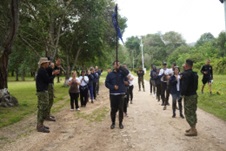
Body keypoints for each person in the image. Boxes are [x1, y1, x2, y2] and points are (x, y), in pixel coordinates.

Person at [105, 61, 129, 129]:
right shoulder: (110, 74)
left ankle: (120, 123)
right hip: (113, 94)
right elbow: (107, 83)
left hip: (121, 93)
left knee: (121, 109)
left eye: (118, 64)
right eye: (116, 64)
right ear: (113, 66)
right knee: (113, 109)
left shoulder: (122, 73)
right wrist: (113, 87)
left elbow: (127, 73)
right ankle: (113, 123)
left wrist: (120, 67)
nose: (117, 65)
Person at [181, 59, 198, 136]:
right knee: (193, 111)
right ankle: (193, 127)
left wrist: (181, 94)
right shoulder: (194, 74)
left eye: (184, 64)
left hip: (188, 96)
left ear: (186, 65)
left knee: (188, 112)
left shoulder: (185, 74)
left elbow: (184, 86)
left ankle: (193, 130)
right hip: (194, 94)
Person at [36, 57, 51, 133]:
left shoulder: (42, 70)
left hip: (42, 91)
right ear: (44, 64)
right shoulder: (42, 71)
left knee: (43, 107)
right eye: (47, 62)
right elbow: (48, 80)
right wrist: (53, 74)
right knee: (43, 107)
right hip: (42, 91)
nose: (48, 63)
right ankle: (39, 125)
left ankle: (41, 124)